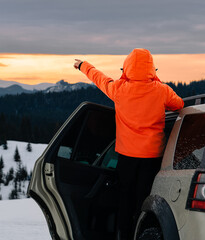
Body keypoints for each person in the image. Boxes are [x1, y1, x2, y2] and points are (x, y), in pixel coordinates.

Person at [74, 48, 184, 240]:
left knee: (125, 197)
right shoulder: (161, 91)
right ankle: (141, 233)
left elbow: (100, 79)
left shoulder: (118, 89)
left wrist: (83, 65)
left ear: (127, 68)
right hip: (152, 157)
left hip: (127, 156)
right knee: (144, 199)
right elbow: (179, 105)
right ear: (152, 69)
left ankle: (123, 235)